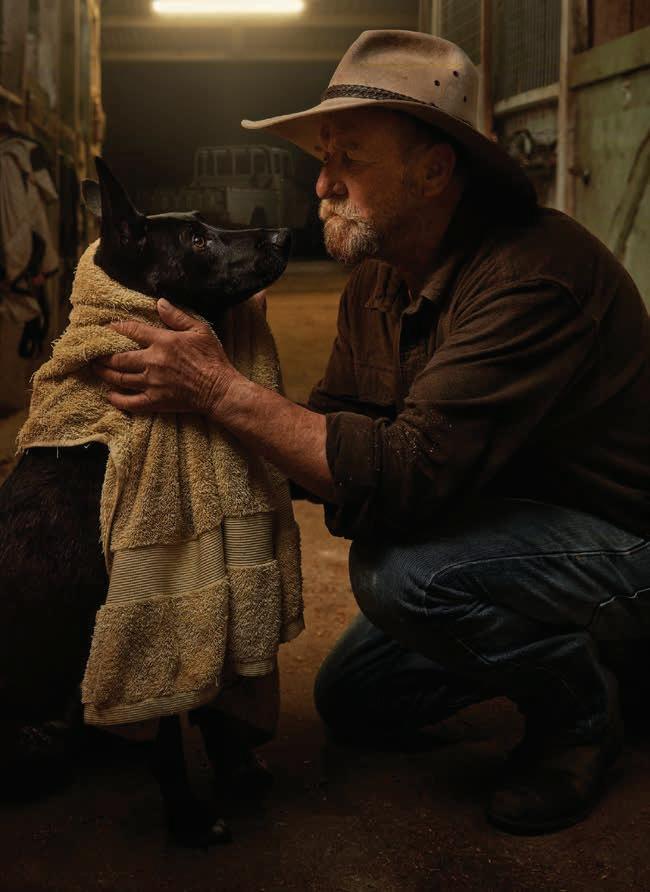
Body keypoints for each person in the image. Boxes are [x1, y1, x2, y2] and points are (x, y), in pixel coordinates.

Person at [94, 31, 650, 834]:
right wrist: (157, 450)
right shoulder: (379, 281)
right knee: (357, 699)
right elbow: (329, 429)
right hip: (510, 527)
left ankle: (583, 713)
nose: (321, 183)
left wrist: (219, 389)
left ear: (434, 171)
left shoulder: (533, 277)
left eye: (349, 157)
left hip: (622, 541)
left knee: (403, 575)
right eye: (324, 157)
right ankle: (582, 650)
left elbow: (401, 475)